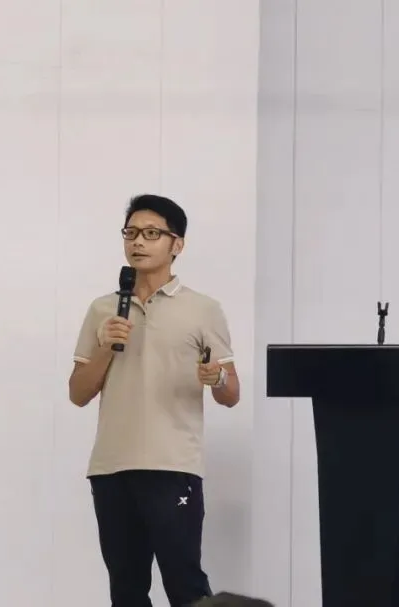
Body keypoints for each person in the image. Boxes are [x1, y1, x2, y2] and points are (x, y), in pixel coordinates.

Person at [68, 194, 241, 607]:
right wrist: (106, 347)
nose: (138, 242)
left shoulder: (203, 309)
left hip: (173, 466)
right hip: (111, 468)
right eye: (131, 233)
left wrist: (216, 377)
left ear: (176, 244)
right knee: (126, 591)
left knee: (186, 586)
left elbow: (231, 393)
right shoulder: (104, 309)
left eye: (151, 233)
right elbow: (78, 393)